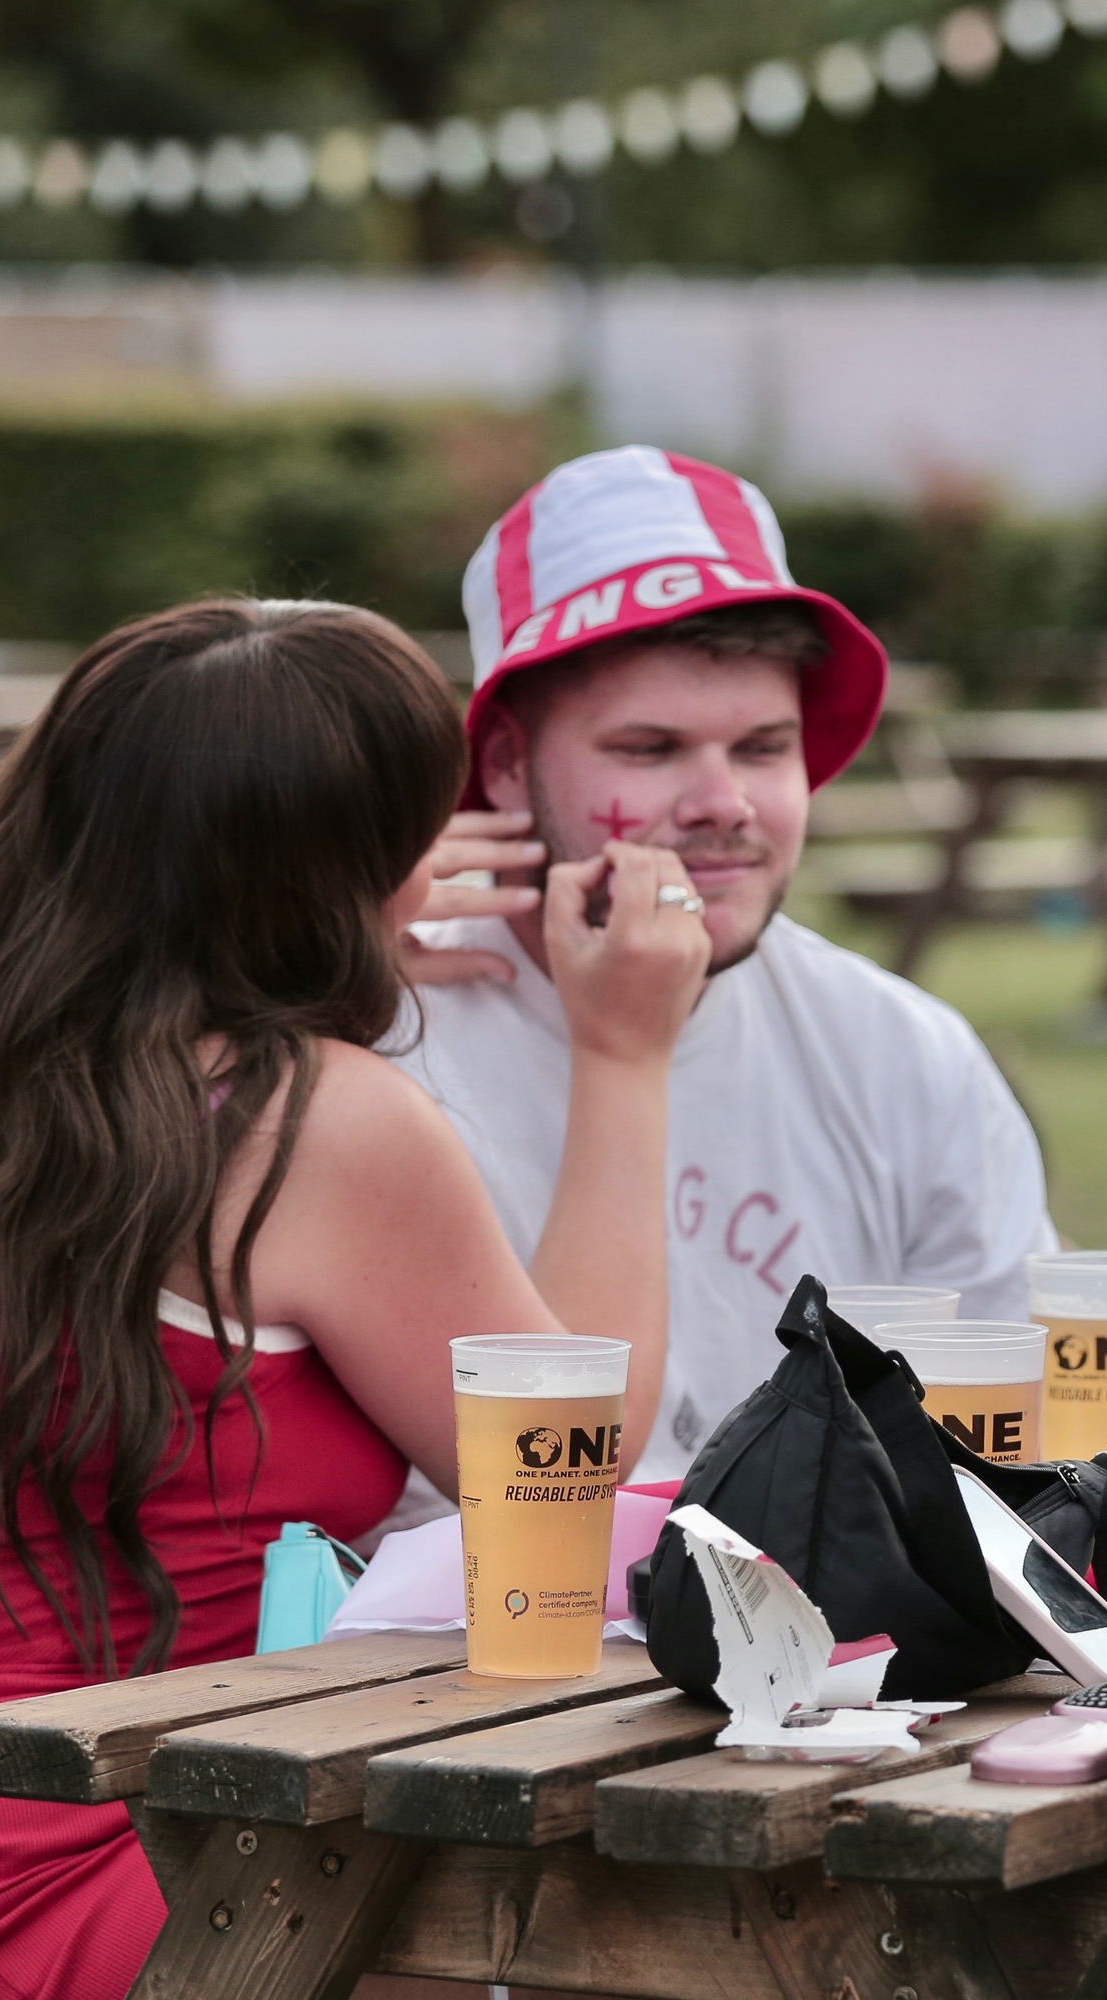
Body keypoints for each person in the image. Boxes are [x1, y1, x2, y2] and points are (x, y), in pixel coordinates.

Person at [0, 599, 707, 2000]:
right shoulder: (318, 1123)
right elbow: (566, 1459)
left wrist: (313, 954)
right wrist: (626, 1053)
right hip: (100, 1842)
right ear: (346, 866)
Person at [389, 444, 1057, 1499]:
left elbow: (1021, 1459)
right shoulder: (383, 1039)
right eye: (651, 748)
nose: (723, 802)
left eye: (761, 747)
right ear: (508, 764)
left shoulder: (904, 1051)